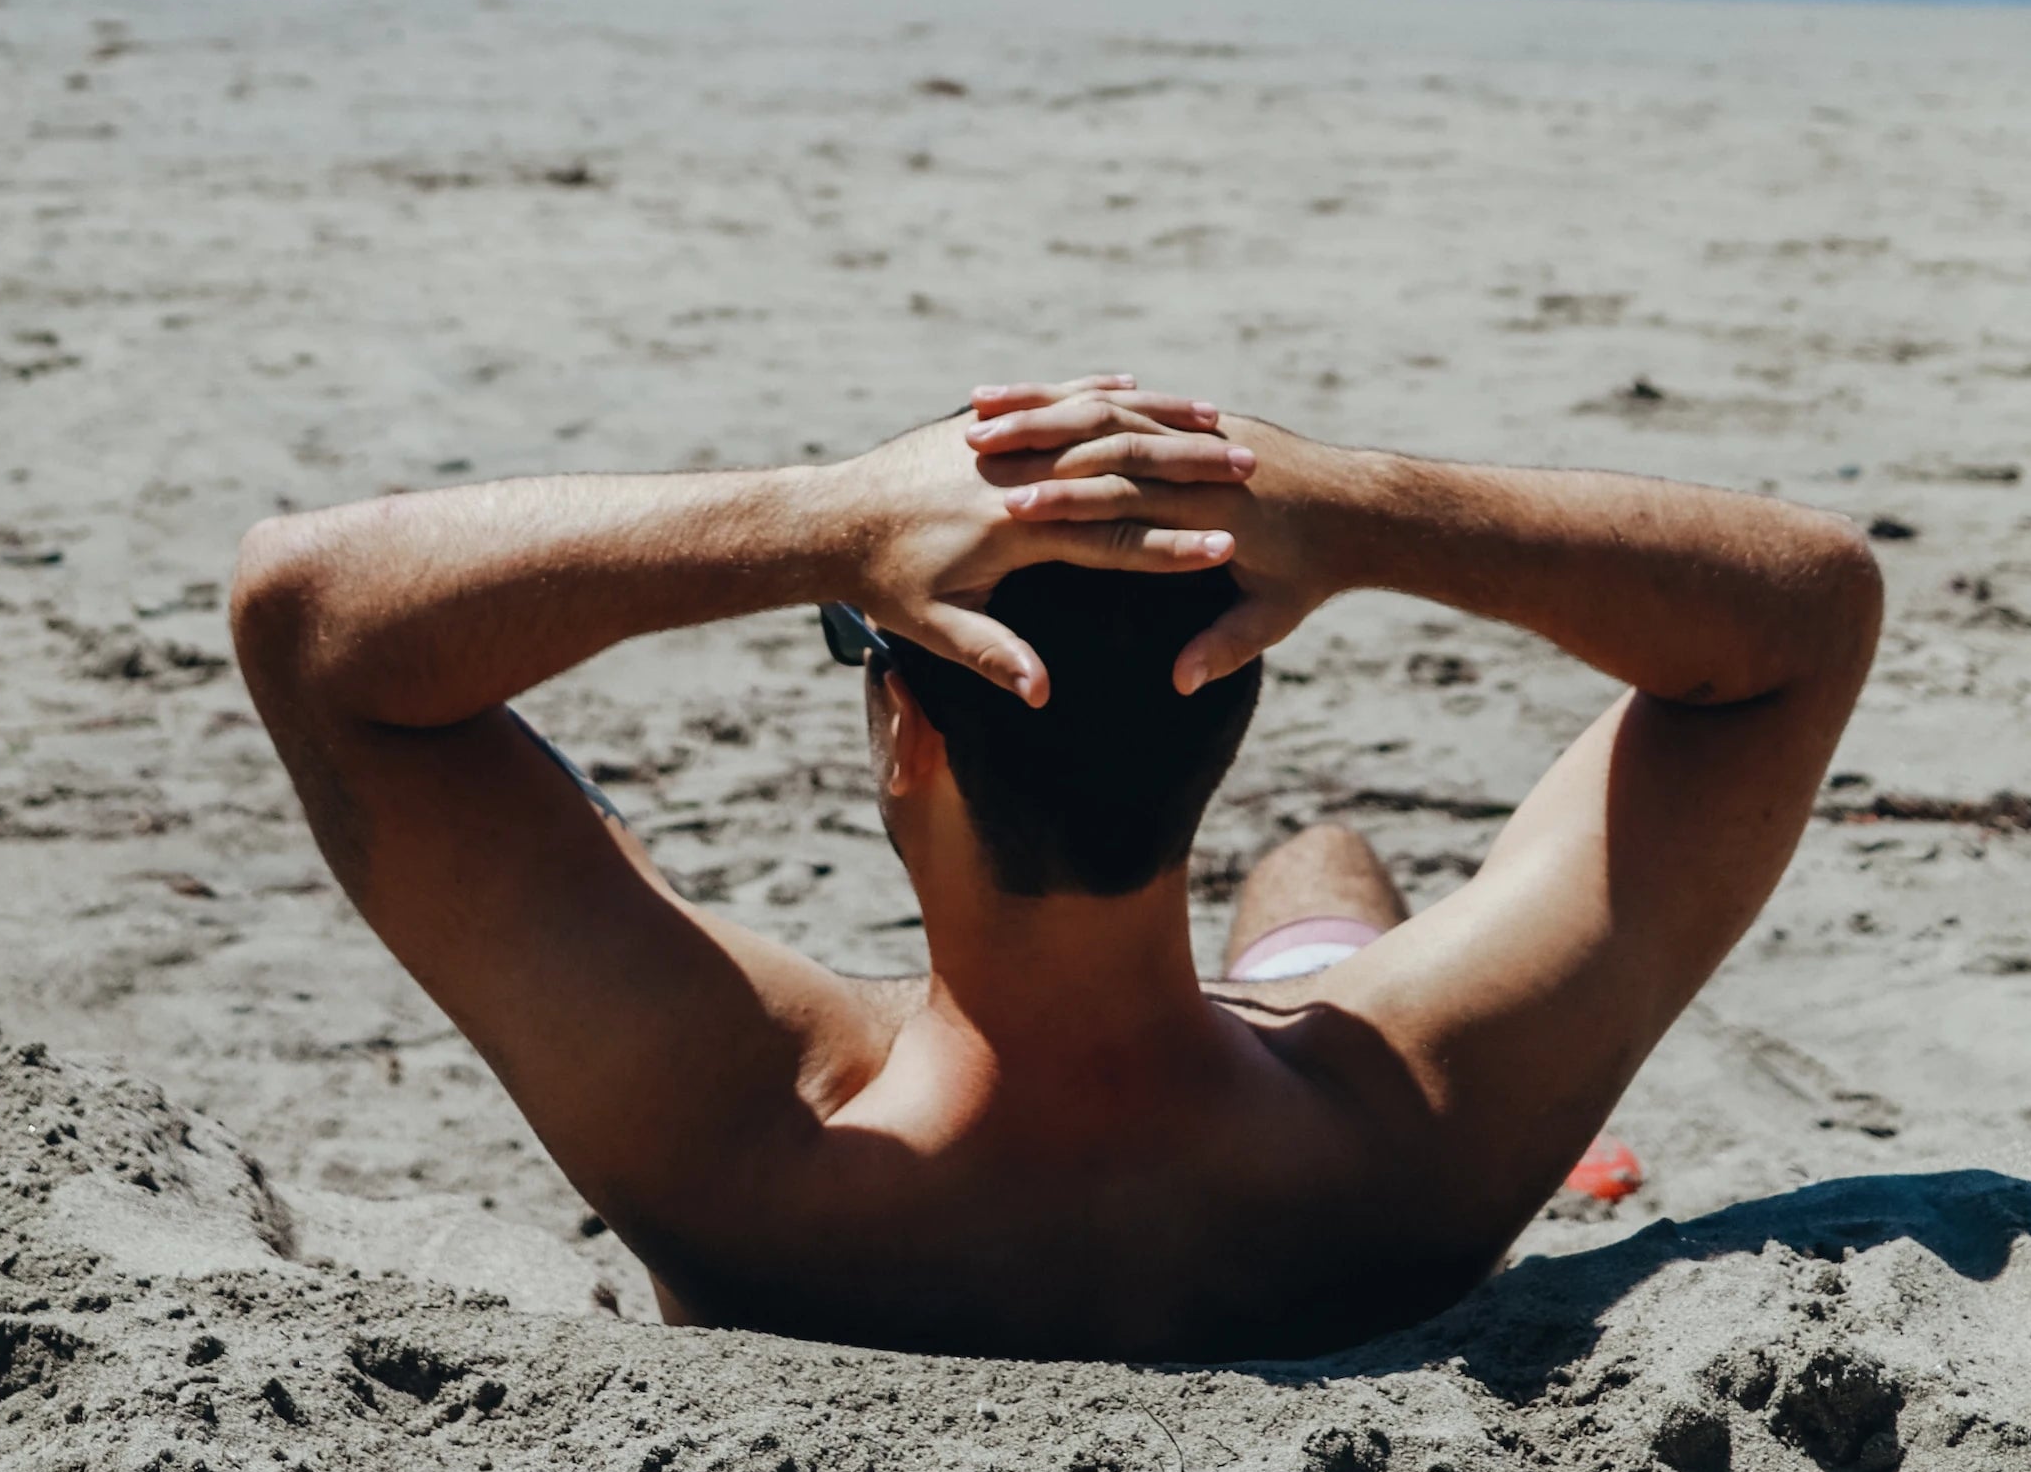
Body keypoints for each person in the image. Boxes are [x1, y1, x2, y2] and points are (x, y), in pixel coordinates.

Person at [229, 372, 1880, 1363]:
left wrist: (823, 517)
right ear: (1223, 716)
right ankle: (1302, 938)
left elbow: (311, 618)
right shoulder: (1430, 1117)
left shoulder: (731, 1135)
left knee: (1316, 936)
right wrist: (1363, 509)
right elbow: (1802, 617)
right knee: (1323, 882)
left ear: (909, 738)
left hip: (896, 1192)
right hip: (1295, 1138)